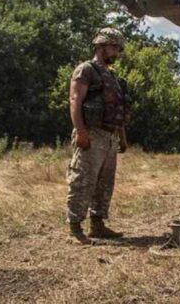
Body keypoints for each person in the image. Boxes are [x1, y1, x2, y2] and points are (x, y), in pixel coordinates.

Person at [66, 28, 131, 244]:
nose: (117, 53)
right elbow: (75, 101)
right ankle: (75, 229)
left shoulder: (112, 76)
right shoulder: (86, 70)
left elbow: (117, 108)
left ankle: (97, 225)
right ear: (100, 46)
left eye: (119, 49)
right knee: (83, 180)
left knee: (104, 183)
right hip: (92, 133)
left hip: (110, 135)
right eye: (114, 47)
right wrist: (81, 132)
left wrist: (121, 137)